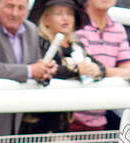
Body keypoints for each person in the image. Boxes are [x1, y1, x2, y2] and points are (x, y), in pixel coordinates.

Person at [0, 0, 57, 136]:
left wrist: (45, 70)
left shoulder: (31, 29)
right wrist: (30, 71)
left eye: (20, 8)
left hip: (17, 118)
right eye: (10, 6)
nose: (15, 13)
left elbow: (35, 65)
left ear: (27, 11)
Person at [22, 0, 105, 135]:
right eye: (59, 14)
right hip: (39, 120)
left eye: (69, 14)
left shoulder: (76, 45)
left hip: (65, 120)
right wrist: (77, 70)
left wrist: (96, 69)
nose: (65, 18)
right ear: (46, 19)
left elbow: (100, 66)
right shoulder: (39, 43)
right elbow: (45, 69)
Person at [74, 0, 130, 131]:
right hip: (71, 116)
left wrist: (103, 71)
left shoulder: (118, 28)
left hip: (100, 116)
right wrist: (128, 72)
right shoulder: (75, 23)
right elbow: (88, 70)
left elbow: (127, 66)